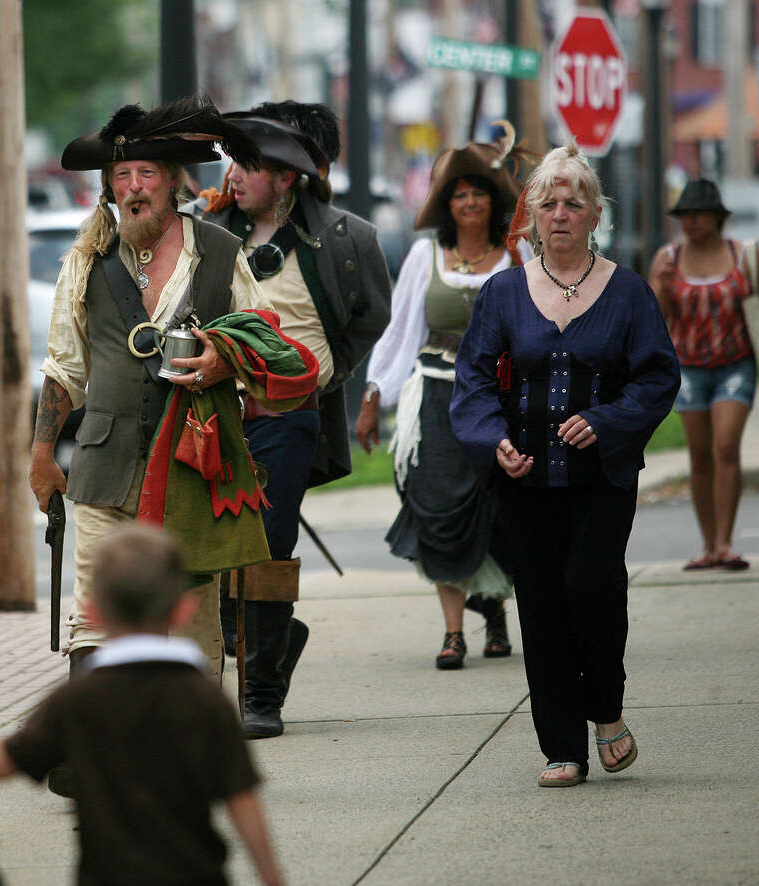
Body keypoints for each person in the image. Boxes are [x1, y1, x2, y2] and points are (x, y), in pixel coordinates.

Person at [451, 144, 680, 787]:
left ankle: (606, 711)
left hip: (602, 478)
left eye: (573, 203)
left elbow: (658, 379)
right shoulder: (502, 293)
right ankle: (562, 748)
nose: (559, 214)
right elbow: (472, 382)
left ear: (594, 215)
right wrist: (493, 440)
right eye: (547, 203)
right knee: (542, 607)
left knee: (592, 586)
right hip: (526, 480)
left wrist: (607, 421)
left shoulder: (628, 291)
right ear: (529, 215)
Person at [29, 95, 271, 681]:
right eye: (122, 176)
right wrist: (41, 453)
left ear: (172, 183)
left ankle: (192, 754)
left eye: (147, 174)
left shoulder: (219, 252)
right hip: (103, 466)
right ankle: (98, 752)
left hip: (193, 467)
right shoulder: (86, 261)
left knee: (193, 618)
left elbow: (264, 340)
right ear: (110, 188)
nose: (135, 187)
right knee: (94, 616)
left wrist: (223, 362)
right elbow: (64, 366)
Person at [0, 525, 285, 886]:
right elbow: (241, 798)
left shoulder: (76, 699)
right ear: (183, 610)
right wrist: (271, 876)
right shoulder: (204, 697)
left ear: (95, 611)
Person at [197, 101, 391, 737]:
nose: (235, 177)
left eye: (249, 167)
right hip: (215, 416)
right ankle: (274, 639)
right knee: (213, 551)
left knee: (265, 549)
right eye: (233, 165)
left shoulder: (344, 239)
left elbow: (370, 319)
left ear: (284, 177)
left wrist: (324, 371)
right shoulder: (208, 231)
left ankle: (261, 695)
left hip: (287, 415)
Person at [355, 128, 530, 670]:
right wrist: (373, 393)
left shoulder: (515, 257)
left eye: (478, 191)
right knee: (439, 508)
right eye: (459, 193)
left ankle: (495, 615)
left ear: (492, 200)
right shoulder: (424, 256)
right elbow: (401, 329)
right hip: (433, 396)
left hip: (496, 400)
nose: (470, 201)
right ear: (446, 205)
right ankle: (453, 632)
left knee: (498, 509)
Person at [648, 178, 755, 571]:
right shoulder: (669, 258)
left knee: (725, 447)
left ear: (717, 218)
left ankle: (726, 543)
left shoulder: (742, 255)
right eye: (683, 215)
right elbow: (655, 320)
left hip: (735, 362)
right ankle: (707, 545)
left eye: (697, 214)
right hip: (688, 365)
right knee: (699, 455)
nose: (689, 221)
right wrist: (658, 285)